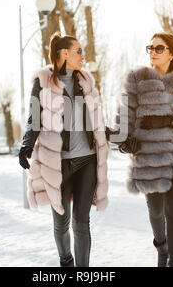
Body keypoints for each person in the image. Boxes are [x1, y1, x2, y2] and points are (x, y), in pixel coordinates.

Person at [114, 32, 173, 267]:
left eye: (159, 48)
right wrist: (124, 139)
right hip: (148, 153)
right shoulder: (137, 79)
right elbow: (125, 112)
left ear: (171, 53)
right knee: (156, 210)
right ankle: (162, 247)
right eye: (150, 48)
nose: (153, 52)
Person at [18, 32, 109, 267]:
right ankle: (66, 262)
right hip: (58, 163)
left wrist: (117, 135)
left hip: (87, 160)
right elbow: (34, 117)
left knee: (81, 221)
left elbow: (95, 120)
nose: (82, 55)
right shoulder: (44, 81)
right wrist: (27, 144)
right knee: (61, 221)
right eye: (78, 51)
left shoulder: (86, 81)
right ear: (64, 53)